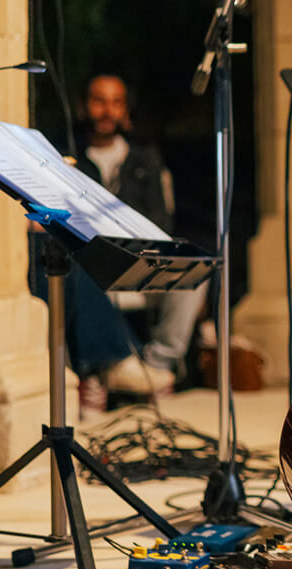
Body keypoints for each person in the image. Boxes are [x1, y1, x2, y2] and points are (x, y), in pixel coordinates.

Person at [32, 73, 205, 416]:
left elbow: (160, 222)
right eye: (99, 100)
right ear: (84, 106)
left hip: (138, 259)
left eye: (116, 102)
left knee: (197, 270)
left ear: (125, 110)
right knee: (64, 262)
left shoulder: (144, 159)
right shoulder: (69, 159)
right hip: (88, 262)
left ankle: (156, 365)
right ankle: (97, 371)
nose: (107, 110)